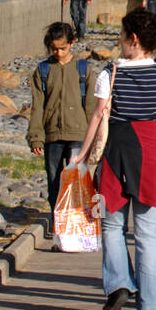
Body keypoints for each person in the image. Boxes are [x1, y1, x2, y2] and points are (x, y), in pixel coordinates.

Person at [71, 9, 156, 310]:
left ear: (132, 38)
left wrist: (82, 154)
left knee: (111, 225)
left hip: (115, 153)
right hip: (152, 153)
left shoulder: (111, 73)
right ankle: (151, 302)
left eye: (122, 36)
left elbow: (98, 116)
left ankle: (119, 283)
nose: (120, 42)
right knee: (148, 233)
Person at [27, 22, 99, 236]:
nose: (58, 53)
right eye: (54, 49)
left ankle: (77, 225)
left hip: (79, 134)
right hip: (52, 135)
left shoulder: (84, 69)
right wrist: (36, 137)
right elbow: (37, 106)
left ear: (72, 43)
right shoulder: (43, 71)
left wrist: (94, 138)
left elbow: (92, 108)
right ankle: (59, 222)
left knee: (77, 181)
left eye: (63, 48)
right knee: (54, 181)